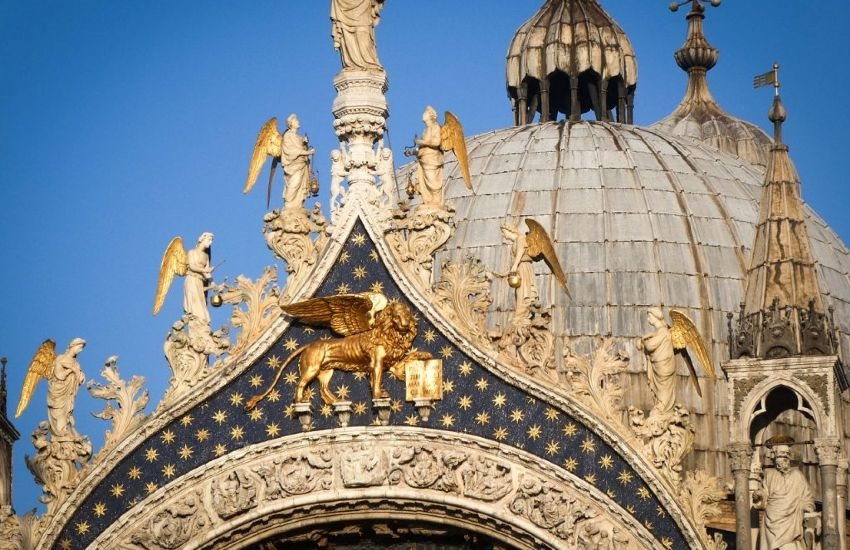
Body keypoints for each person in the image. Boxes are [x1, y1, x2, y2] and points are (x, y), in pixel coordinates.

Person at [753, 443, 815, 550]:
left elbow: (807, 497)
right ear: (775, 457)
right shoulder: (769, 474)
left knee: (790, 546)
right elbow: (765, 493)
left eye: (787, 455)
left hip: (791, 520)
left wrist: (807, 506)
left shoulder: (797, 475)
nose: (784, 458)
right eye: (781, 455)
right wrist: (759, 495)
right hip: (772, 518)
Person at [639, 308, 676, 416]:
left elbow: (650, 346)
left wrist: (644, 340)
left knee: (664, 387)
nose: (648, 318)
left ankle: (663, 407)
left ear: (655, 318)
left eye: (649, 316)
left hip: (664, 366)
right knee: (661, 388)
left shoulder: (663, 332)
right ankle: (661, 405)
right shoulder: (660, 332)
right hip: (659, 365)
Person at [47, 338, 86, 440]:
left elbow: (80, 379)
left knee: (66, 413)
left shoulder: (76, 363)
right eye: (79, 347)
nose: (80, 350)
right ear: (73, 346)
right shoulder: (60, 358)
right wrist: (71, 370)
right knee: (59, 412)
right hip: (58, 391)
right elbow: (59, 375)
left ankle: (64, 431)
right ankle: (60, 433)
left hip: (69, 393)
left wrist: (80, 375)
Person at [330, 0, 384, 71]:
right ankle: (351, 64)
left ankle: (369, 64)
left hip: (363, 8)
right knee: (347, 38)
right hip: (343, 6)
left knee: (364, 37)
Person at [281, 114, 315, 211]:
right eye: (296, 121)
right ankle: (289, 204)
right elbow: (290, 151)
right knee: (294, 183)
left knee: (300, 186)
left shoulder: (298, 137)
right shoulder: (288, 136)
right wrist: (307, 152)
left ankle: (298, 204)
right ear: (291, 124)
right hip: (293, 166)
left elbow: (300, 147)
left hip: (302, 164)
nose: (298, 122)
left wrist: (304, 143)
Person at [415, 106, 445, 209]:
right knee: (426, 180)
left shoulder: (435, 127)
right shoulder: (426, 129)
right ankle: (429, 200)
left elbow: (437, 142)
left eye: (425, 113)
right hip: (424, 158)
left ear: (430, 116)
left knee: (432, 180)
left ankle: (435, 201)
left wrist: (420, 142)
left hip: (432, 159)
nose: (423, 114)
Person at [184, 232, 214, 327]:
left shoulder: (206, 256)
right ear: (202, 239)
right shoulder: (192, 252)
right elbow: (192, 266)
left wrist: (213, 284)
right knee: (195, 305)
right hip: (192, 280)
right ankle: (196, 323)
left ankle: (202, 325)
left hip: (200, 282)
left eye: (211, 241)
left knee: (201, 306)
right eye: (209, 240)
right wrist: (204, 270)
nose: (210, 243)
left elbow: (207, 274)